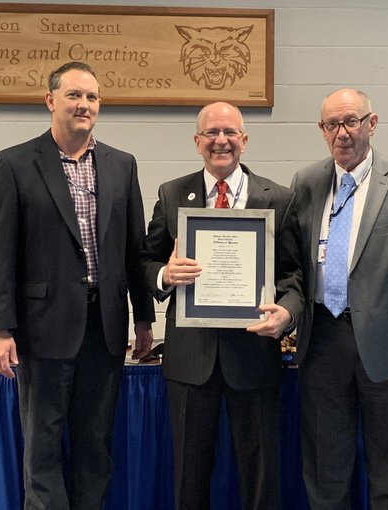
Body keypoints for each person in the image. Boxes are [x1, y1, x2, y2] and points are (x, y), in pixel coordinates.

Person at [0, 61, 155, 509]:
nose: (84, 105)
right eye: (74, 95)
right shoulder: (16, 163)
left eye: (92, 97)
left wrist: (144, 319)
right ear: (51, 101)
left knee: (95, 448)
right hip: (42, 332)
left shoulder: (122, 165)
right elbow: (0, 252)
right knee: (42, 449)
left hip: (105, 328)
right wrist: (0, 329)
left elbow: (134, 250)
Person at [288, 88, 388, 510]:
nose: (342, 133)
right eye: (331, 125)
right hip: (321, 340)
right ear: (321, 130)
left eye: (351, 121)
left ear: (371, 124)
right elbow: (294, 265)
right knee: (325, 469)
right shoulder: (305, 183)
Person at [140, 102, 300, 510]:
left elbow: (294, 276)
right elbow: (144, 261)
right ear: (197, 142)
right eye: (211, 133)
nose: (221, 140)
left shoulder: (279, 198)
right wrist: (165, 275)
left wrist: (287, 314)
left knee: (261, 477)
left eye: (229, 132)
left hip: (255, 357)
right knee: (189, 478)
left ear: (244, 140)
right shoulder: (172, 193)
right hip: (191, 363)